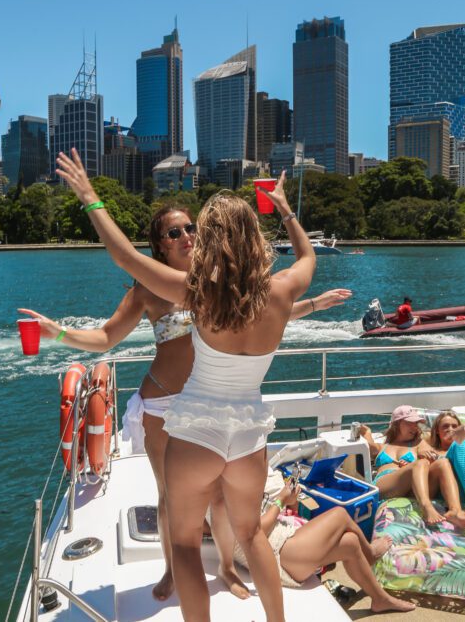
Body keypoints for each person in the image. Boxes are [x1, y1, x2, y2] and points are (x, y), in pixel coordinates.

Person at [19, 204, 350, 603]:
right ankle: (170, 571)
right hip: (174, 405)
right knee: (176, 503)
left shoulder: (209, 286)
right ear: (159, 244)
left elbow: (261, 312)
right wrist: (59, 334)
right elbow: (107, 338)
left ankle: (226, 567)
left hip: (208, 408)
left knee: (210, 514)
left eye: (191, 228)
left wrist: (314, 305)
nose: (186, 237)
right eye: (174, 233)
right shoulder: (158, 289)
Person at [56, 148, 315, 622]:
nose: (187, 237)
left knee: (185, 545)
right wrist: (284, 208)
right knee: (251, 535)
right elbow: (307, 255)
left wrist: (91, 197)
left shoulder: (198, 293)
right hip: (248, 431)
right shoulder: (283, 291)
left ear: (210, 239)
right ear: (254, 237)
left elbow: (124, 255)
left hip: (196, 427)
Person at [207, 472, 415, 614]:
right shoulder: (221, 496)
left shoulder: (220, 490)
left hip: (283, 544)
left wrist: (287, 500)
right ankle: (370, 552)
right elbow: (253, 532)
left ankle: (379, 599)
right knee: (340, 515)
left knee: (350, 543)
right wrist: (281, 500)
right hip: (279, 556)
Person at [360, 405, 465, 528]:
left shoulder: (419, 443)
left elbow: (434, 457)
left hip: (413, 488)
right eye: (410, 423)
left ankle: (455, 511)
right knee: (420, 464)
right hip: (385, 485)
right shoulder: (382, 447)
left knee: (442, 463)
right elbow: (369, 446)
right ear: (397, 423)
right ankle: (426, 507)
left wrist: (421, 457)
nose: (415, 427)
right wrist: (367, 432)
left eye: (416, 423)